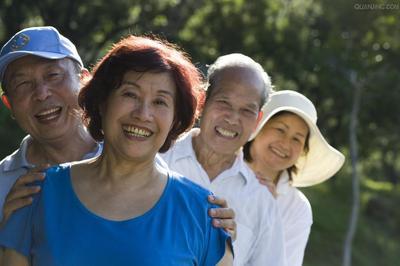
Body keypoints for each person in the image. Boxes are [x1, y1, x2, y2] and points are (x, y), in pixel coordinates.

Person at [0, 34, 233, 265]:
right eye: (130, 94)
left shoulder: (205, 215)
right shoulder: (35, 196)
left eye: (160, 101)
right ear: (102, 102)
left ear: (175, 119)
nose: (143, 114)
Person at [161, 53, 287, 266]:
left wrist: (222, 251)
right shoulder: (157, 157)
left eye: (247, 110)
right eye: (224, 102)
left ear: (257, 121)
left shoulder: (262, 202)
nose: (232, 118)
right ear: (202, 101)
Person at [243, 90, 345, 266]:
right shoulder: (221, 168)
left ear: (303, 151)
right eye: (280, 130)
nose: (285, 144)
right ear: (258, 127)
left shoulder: (297, 208)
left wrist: (269, 213)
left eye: (297, 139)